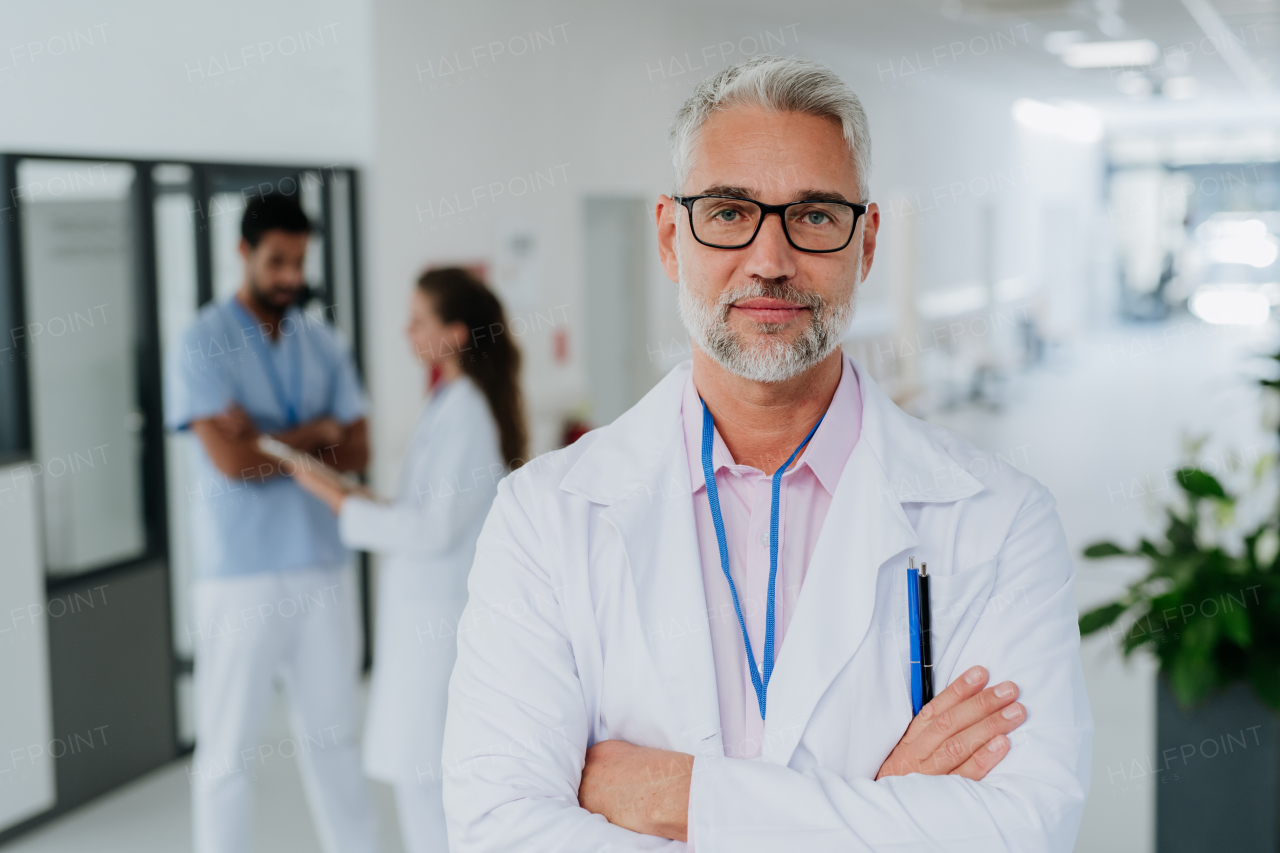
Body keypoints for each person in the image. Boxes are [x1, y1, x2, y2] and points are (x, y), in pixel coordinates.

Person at [441, 56, 1092, 852]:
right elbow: (498, 829)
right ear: (670, 237)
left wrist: (683, 798)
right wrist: (881, 811)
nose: (770, 259)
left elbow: (1025, 828)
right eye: (727, 212)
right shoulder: (545, 518)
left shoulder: (1000, 520)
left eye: (815, 215)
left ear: (869, 240)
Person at [164, 193, 379, 853]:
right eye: (276, 261)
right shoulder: (202, 340)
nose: (290, 275)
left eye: (298, 261)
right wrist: (315, 434)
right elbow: (230, 460)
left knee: (336, 738)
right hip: (240, 576)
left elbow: (360, 449)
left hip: (323, 566)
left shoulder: (323, 341)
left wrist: (271, 439)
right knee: (227, 751)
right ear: (244, 253)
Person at [291, 267, 526, 852]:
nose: (405, 330)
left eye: (417, 319)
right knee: (421, 786)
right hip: (424, 621)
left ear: (452, 334)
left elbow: (433, 528)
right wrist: (363, 498)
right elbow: (429, 508)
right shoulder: (449, 401)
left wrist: (336, 496)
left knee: (429, 790)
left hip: (437, 629)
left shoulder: (467, 410)